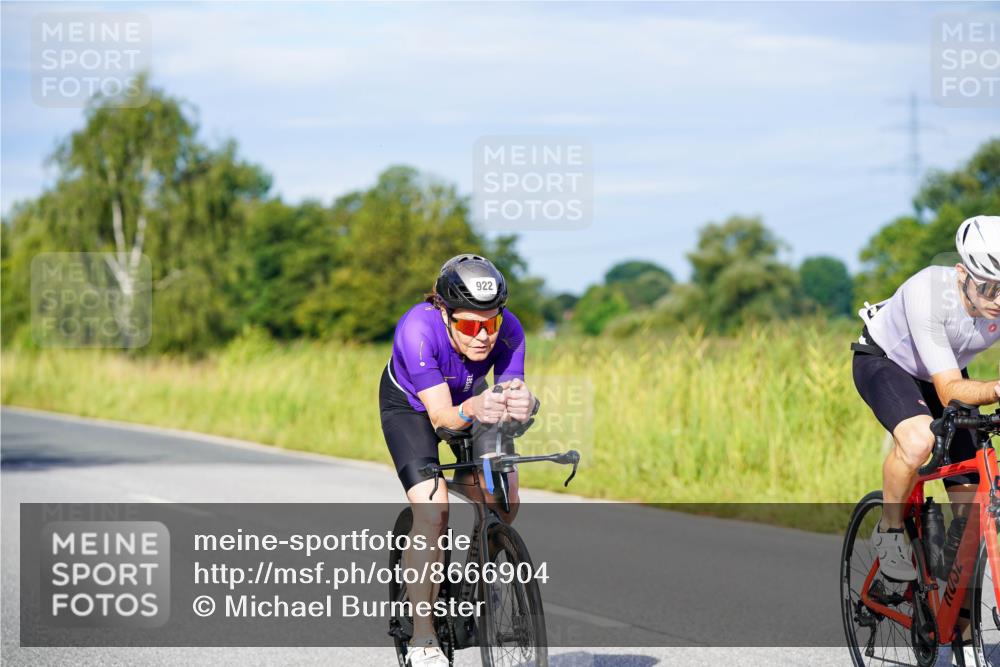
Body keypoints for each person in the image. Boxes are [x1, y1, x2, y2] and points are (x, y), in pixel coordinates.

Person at [379, 253, 538, 667]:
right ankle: (423, 636)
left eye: (491, 322)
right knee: (434, 511)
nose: (483, 335)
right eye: (470, 325)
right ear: (444, 313)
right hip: (413, 408)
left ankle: (483, 566)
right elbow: (443, 418)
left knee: (504, 497)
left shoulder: (510, 331)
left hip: (473, 397)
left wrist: (526, 405)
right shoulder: (417, 329)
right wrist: (478, 408)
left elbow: (510, 403)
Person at [853, 214, 1000, 584]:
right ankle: (888, 531)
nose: (997, 299)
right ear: (962, 274)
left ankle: (953, 636)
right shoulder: (928, 293)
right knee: (919, 441)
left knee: (972, 516)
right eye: (988, 287)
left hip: (944, 367)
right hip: (887, 363)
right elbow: (950, 392)